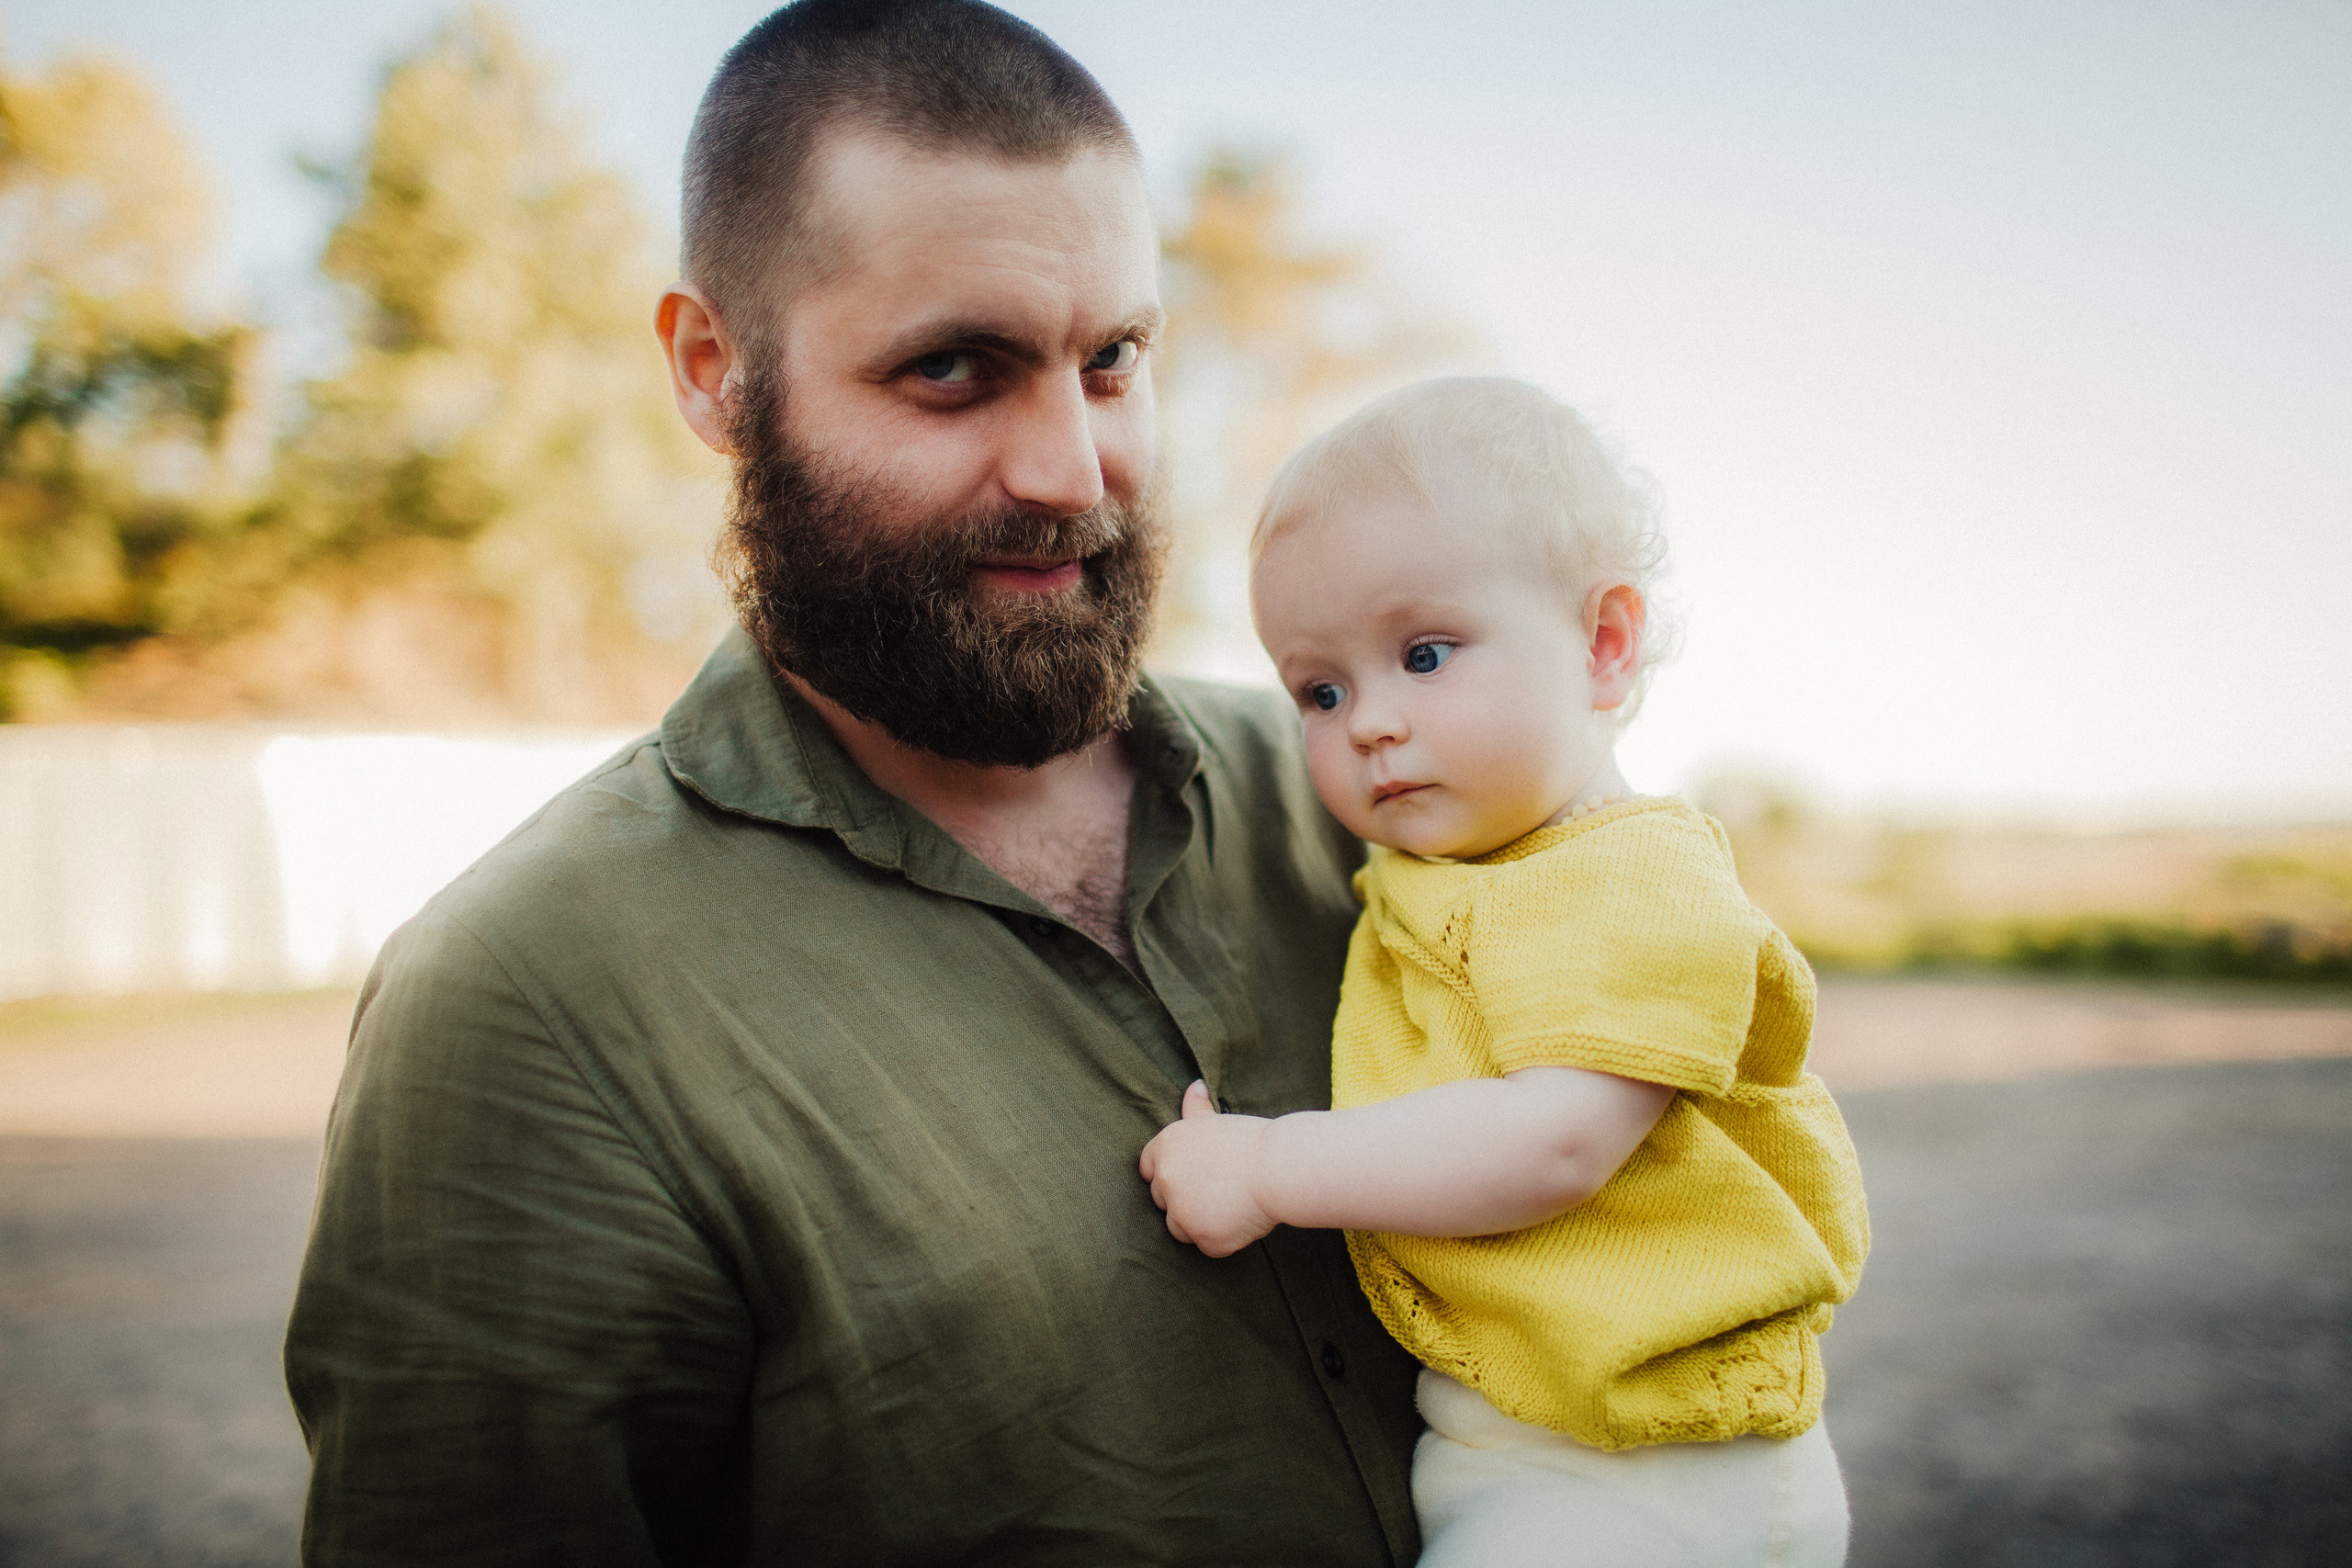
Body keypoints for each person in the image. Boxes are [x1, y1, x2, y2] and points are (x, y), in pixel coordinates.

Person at [281, 3, 1425, 1562]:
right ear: (712, 372)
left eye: (1114, 360)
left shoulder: (1365, 805)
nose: (1072, 473)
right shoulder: (528, 1003)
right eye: (955, 369)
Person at [1139, 378, 1871, 1566]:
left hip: (1653, 1466)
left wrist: (1272, 1164)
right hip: (1528, 1437)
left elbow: (1553, 1143)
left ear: (1603, 643)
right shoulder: (1444, 873)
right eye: (1320, 689)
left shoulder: (1629, 876)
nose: (1369, 720)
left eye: (1424, 653)